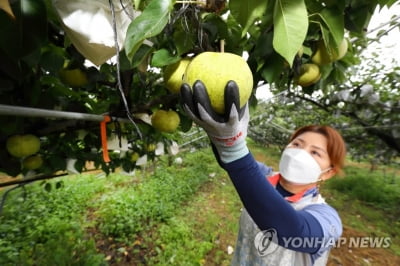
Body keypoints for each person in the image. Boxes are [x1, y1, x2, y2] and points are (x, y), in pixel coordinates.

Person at [180, 80, 347, 266]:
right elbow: (230, 162)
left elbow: (295, 231)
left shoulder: (328, 218)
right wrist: (218, 133)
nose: (300, 153)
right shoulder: (265, 178)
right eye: (297, 144)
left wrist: (233, 147)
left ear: (328, 172)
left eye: (315, 152)